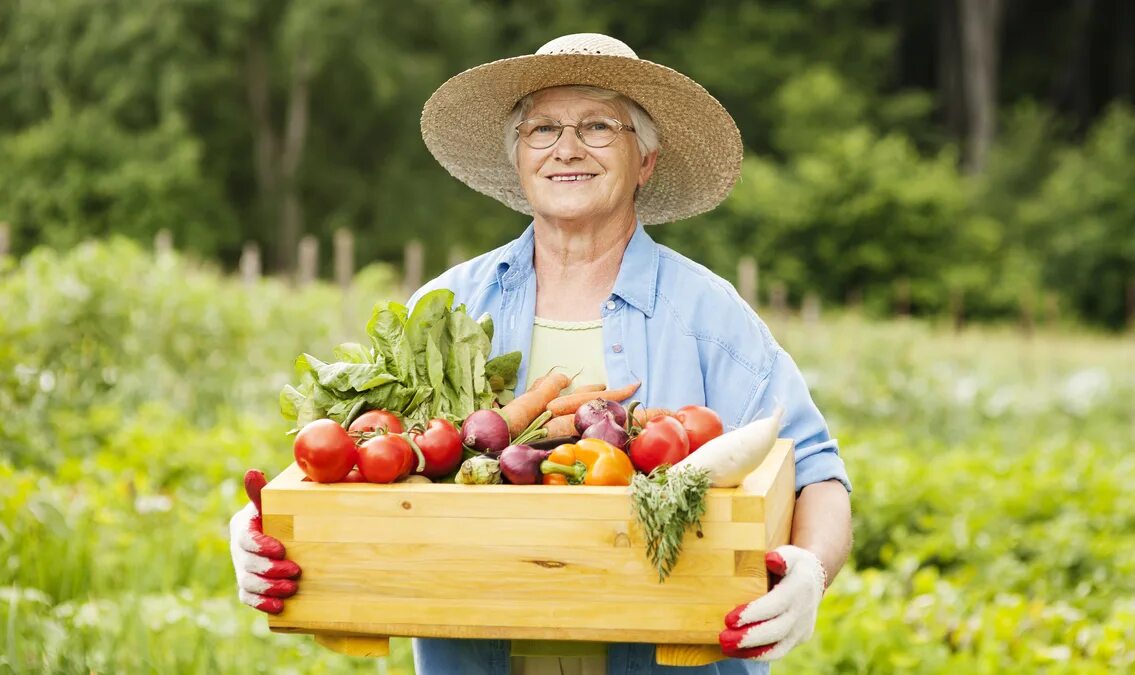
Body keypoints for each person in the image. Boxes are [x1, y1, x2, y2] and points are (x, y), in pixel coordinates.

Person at [229, 33, 852, 675]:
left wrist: (810, 569)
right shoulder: (451, 305)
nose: (568, 148)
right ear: (519, 160)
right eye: (543, 128)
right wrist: (258, 531)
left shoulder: (707, 313)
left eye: (598, 125)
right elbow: (360, 452)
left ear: (645, 161)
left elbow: (818, 474)